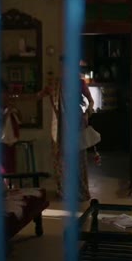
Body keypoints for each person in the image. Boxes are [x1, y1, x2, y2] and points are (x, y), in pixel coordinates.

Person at [39, 58, 95, 201]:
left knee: (77, 159)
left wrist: (87, 112)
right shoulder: (55, 84)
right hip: (60, 127)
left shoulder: (80, 83)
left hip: (76, 124)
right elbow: (39, 95)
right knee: (62, 159)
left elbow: (91, 101)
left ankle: (80, 191)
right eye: (63, 67)